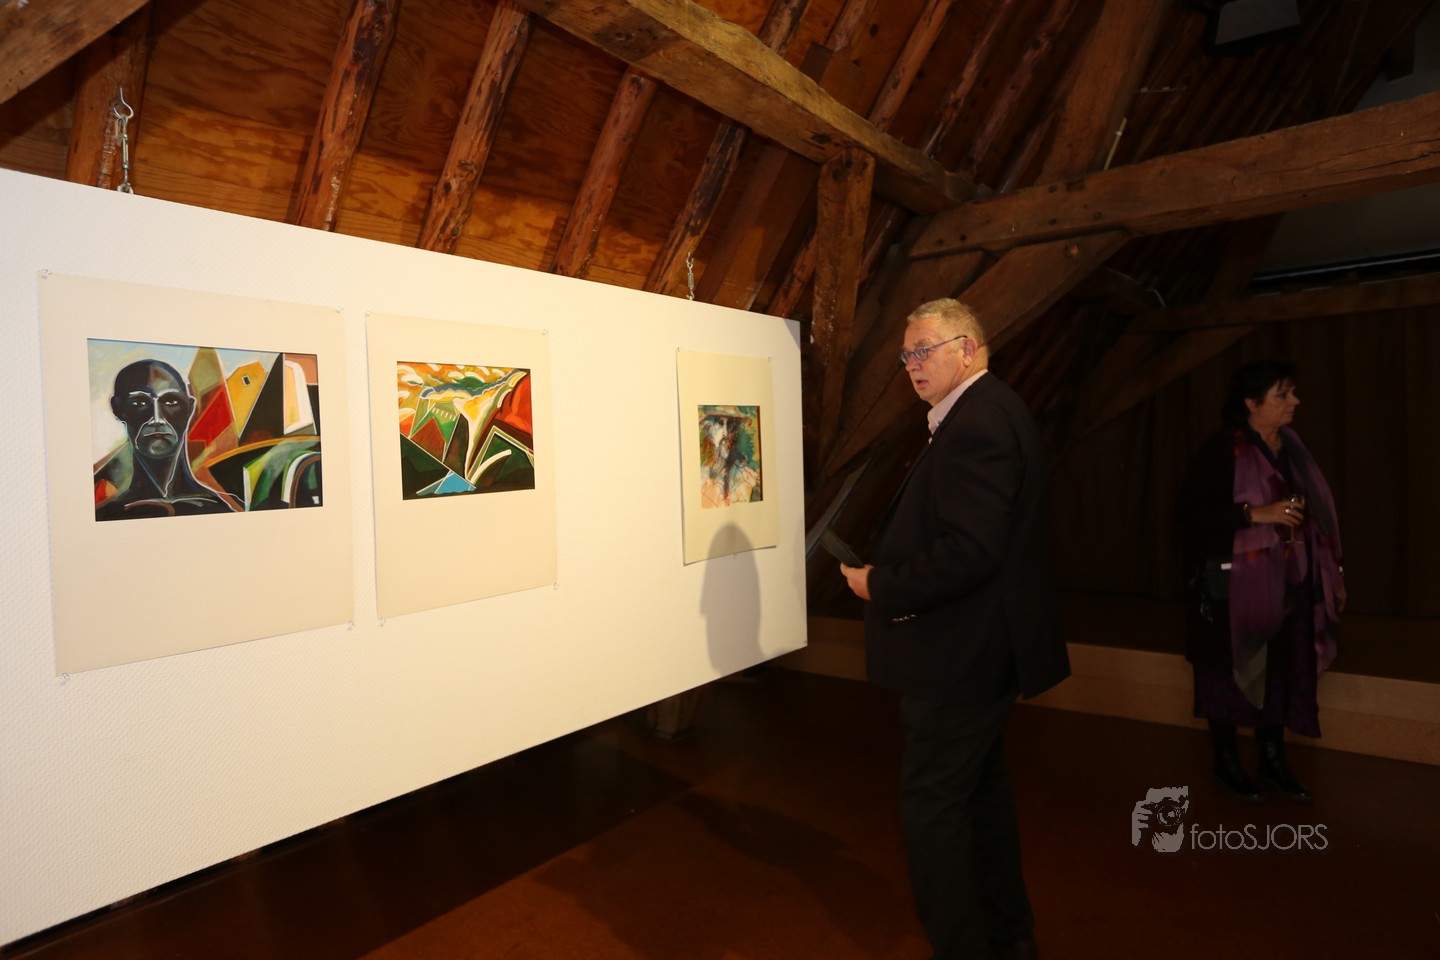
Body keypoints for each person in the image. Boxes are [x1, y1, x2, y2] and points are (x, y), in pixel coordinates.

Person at [840, 298, 1069, 960]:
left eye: (924, 350)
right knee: (981, 797)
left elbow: (972, 550)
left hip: (960, 655)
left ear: (967, 349)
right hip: (980, 650)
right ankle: (1009, 935)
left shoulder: (978, 422)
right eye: (906, 354)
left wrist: (881, 584)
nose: (912, 365)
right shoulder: (987, 410)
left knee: (933, 807)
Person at [1178, 359, 1344, 803]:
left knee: (1280, 671)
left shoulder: (1292, 448)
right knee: (1227, 674)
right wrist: (1255, 514)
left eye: (1292, 392)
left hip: (1291, 582)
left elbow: (1316, 515)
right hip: (1233, 588)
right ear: (1252, 403)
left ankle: (1273, 760)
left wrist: (1329, 568)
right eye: (1282, 394)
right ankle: (1226, 762)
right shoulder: (1223, 451)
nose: (1295, 401)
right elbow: (1191, 516)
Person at [96, 359, 234, 520]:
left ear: (189, 408)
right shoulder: (107, 515)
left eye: (171, 402)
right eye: (140, 402)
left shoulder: (217, 510)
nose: (157, 419)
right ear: (118, 408)